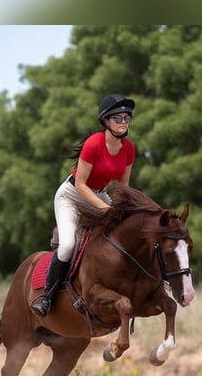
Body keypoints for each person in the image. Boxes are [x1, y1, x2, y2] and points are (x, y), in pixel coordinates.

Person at [30, 93, 136, 317]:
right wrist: (105, 208)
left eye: (127, 118)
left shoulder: (129, 149)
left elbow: (123, 188)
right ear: (106, 121)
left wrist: (124, 211)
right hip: (72, 195)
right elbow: (80, 185)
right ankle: (46, 297)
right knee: (67, 245)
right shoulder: (93, 144)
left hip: (99, 195)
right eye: (119, 118)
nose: (124, 122)